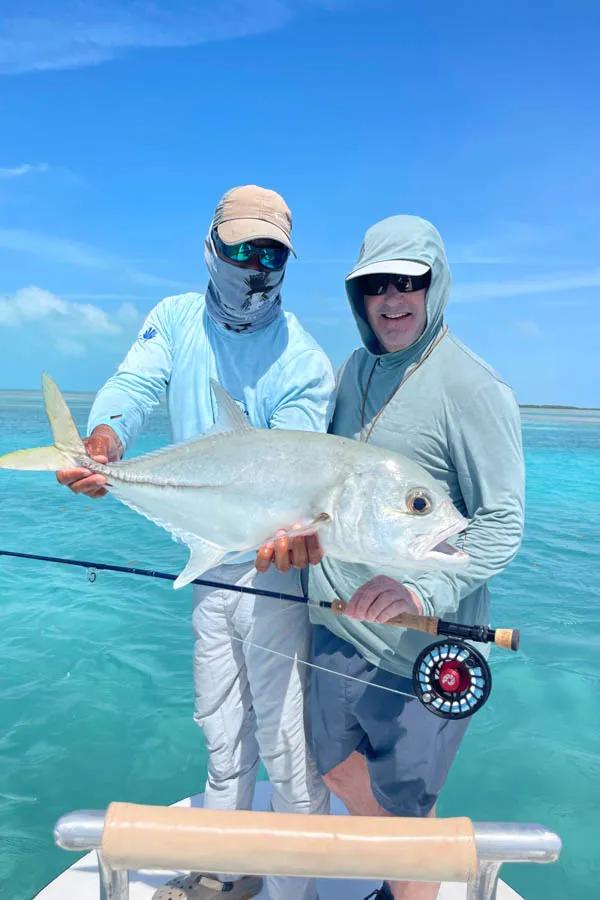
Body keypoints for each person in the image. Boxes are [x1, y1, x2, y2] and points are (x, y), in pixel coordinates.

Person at [56, 185, 334, 900]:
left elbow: (297, 468)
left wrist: (302, 537)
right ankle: (222, 872)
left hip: (274, 577)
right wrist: (106, 440)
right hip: (210, 565)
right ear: (210, 248)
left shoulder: (303, 358)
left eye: (271, 251)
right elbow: (135, 384)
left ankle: (289, 890)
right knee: (219, 730)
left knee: (285, 742)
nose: (256, 264)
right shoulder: (174, 319)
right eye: (242, 247)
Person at [256, 215, 525, 900]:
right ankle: (408, 869)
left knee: (408, 803)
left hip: (417, 648)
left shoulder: (473, 388)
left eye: (410, 281)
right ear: (358, 295)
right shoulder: (356, 371)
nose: (393, 298)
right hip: (338, 626)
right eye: (376, 284)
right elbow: (329, 488)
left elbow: (501, 524)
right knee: (334, 765)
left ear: (437, 285)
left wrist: (421, 598)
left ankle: (413, 879)